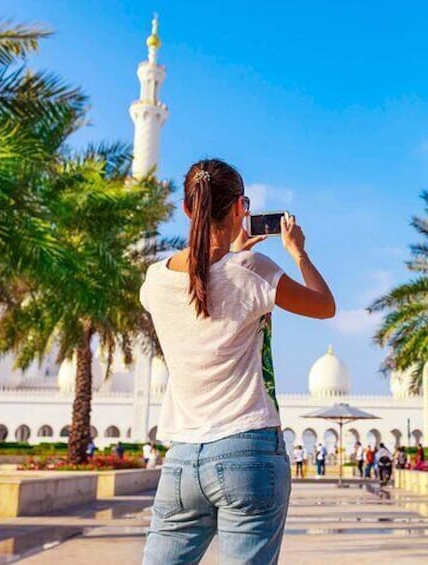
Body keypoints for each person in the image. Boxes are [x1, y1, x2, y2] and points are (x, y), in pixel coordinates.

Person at [141, 159, 335, 565]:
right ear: (239, 210)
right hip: (248, 450)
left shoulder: (154, 280)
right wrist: (298, 253)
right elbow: (325, 306)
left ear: (187, 209)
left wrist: (232, 256)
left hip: (181, 460)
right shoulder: (253, 271)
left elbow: (204, 280)